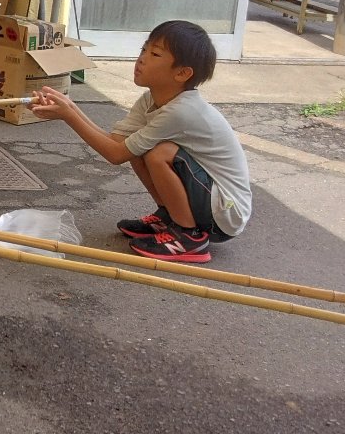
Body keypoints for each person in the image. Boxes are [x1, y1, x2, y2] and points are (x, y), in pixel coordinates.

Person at [30, 19, 251, 263]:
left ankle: (189, 237)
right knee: (138, 147)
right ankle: (170, 217)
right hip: (209, 200)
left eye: (155, 53)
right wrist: (70, 107)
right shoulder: (151, 99)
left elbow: (115, 154)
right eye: (143, 50)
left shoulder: (181, 110)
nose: (142, 58)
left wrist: (68, 115)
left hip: (225, 214)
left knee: (159, 153)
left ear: (182, 73)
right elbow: (117, 143)